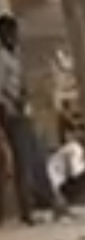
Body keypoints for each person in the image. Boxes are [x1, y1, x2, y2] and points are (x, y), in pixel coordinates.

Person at [0, 13, 39, 225]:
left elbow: (20, 83)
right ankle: (27, 211)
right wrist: (13, 103)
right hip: (11, 113)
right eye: (11, 33)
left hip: (20, 111)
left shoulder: (14, 55)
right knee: (23, 162)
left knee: (32, 158)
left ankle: (39, 204)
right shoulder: (2, 57)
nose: (15, 37)